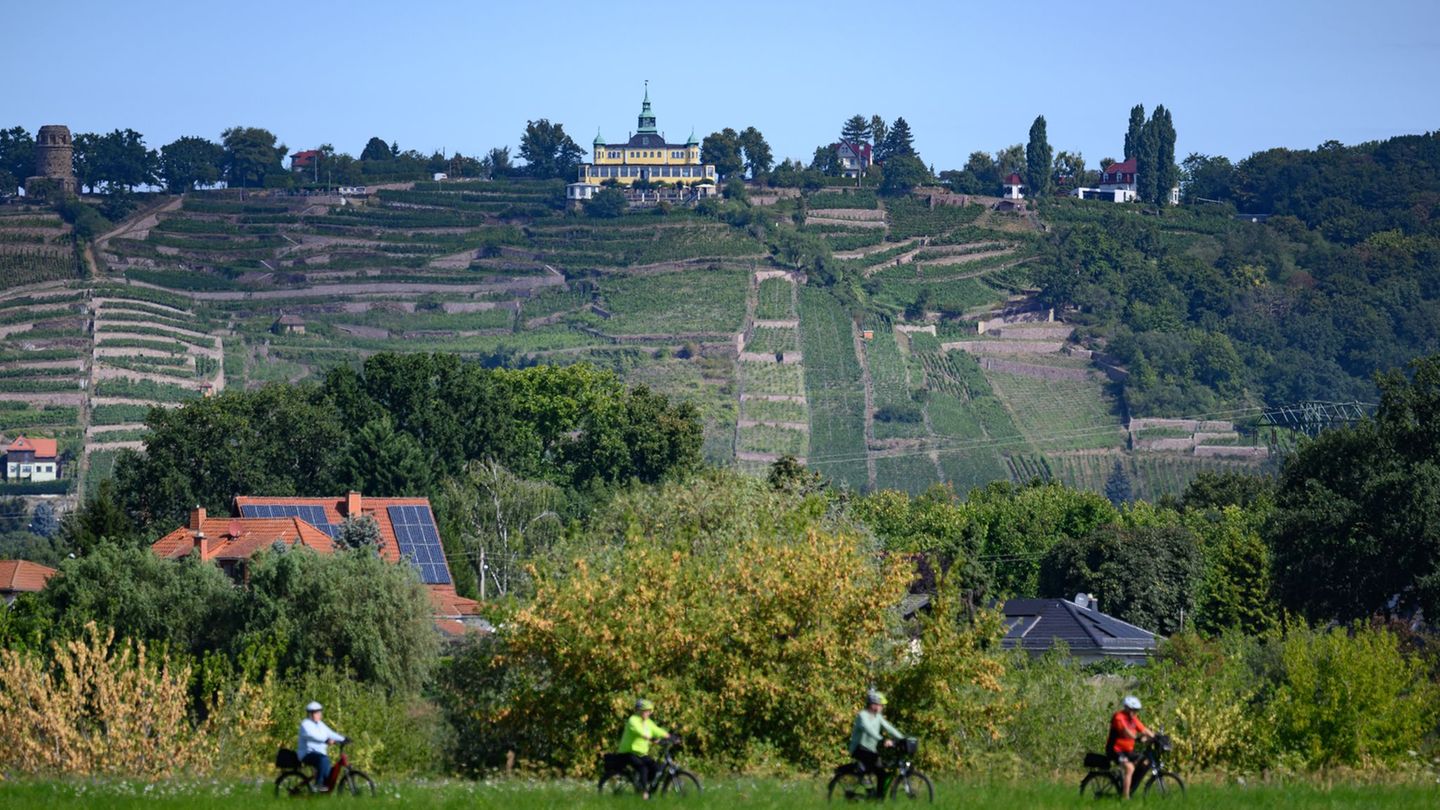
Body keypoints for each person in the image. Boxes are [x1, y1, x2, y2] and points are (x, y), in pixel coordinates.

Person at [848, 690, 904, 794]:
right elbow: (869, 730)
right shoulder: (862, 716)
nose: (882, 707)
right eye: (880, 705)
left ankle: (875, 796)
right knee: (880, 772)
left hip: (870, 750)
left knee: (881, 771)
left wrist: (902, 738)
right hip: (859, 749)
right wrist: (882, 739)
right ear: (873, 704)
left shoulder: (877, 716)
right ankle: (877, 799)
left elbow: (889, 727)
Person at [616, 698, 669, 799]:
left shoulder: (648, 722)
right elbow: (639, 731)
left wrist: (668, 736)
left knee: (655, 767)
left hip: (641, 753)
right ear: (639, 711)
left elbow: (656, 730)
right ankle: (644, 794)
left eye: (649, 711)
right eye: (645, 711)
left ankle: (642, 785)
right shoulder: (633, 720)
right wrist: (650, 738)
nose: (648, 713)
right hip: (628, 752)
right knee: (643, 767)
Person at [1107, 695, 1152, 800]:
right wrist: (1138, 738)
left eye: (1136, 710)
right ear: (1127, 708)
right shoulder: (1118, 717)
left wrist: (1156, 737)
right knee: (1130, 768)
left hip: (1127, 751)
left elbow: (1144, 729)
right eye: (1133, 710)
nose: (1135, 713)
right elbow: (1125, 732)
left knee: (1145, 761)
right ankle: (1125, 798)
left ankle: (1129, 787)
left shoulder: (1133, 719)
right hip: (1115, 750)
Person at [298, 701, 346, 792]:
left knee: (327, 767)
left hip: (319, 754)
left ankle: (324, 789)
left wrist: (343, 739)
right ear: (310, 714)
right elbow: (312, 736)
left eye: (319, 712)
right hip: (307, 754)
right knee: (323, 760)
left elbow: (330, 733)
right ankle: (318, 784)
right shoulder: (305, 724)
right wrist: (326, 740)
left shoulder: (320, 724)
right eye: (316, 712)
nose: (319, 714)